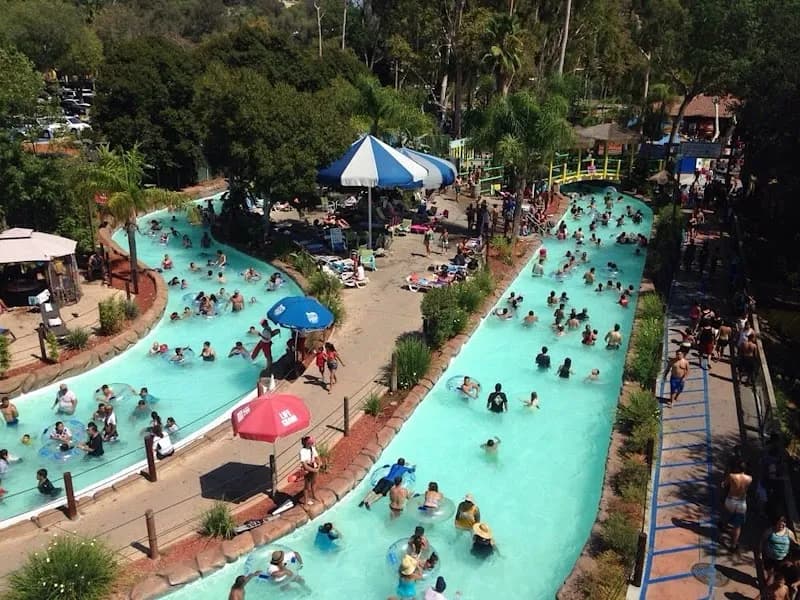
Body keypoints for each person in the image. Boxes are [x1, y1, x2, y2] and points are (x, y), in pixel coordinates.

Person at [721, 459, 752, 551]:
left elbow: (724, 484)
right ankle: (733, 545)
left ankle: (724, 525)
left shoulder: (732, 476)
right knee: (737, 526)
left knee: (729, 513)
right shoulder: (749, 479)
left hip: (730, 500)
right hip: (741, 502)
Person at [760, 515, 797, 584]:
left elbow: (795, 544)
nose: (781, 525)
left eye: (783, 523)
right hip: (770, 558)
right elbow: (763, 541)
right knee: (770, 578)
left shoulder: (789, 533)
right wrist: (760, 553)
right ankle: (766, 590)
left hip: (783, 559)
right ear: (775, 523)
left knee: (780, 579)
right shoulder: (770, 531)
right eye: (779, 523)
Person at [299, 436, 319, 505]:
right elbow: (305, 465)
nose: (312, 443)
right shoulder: (302, 451)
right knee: (306, 486)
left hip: (314, 466)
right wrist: (314, 470)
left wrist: (319, 464)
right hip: (309, 468)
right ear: (306, 443)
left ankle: (314, 495)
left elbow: (317, 457)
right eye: (310, 442)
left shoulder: (312, 448)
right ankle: (306, 501)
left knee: (314, 482)